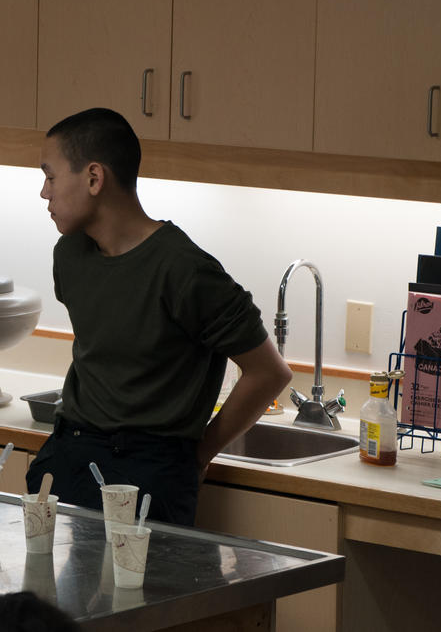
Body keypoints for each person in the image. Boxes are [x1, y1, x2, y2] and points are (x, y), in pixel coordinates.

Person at [25, 107, 291, 525]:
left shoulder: (185, 271)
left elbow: (269, 373)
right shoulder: (70, 255)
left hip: (147, 472)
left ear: (94, 178)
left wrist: (200, 453)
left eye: (51, 176)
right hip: (70, 454)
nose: (44, 192)